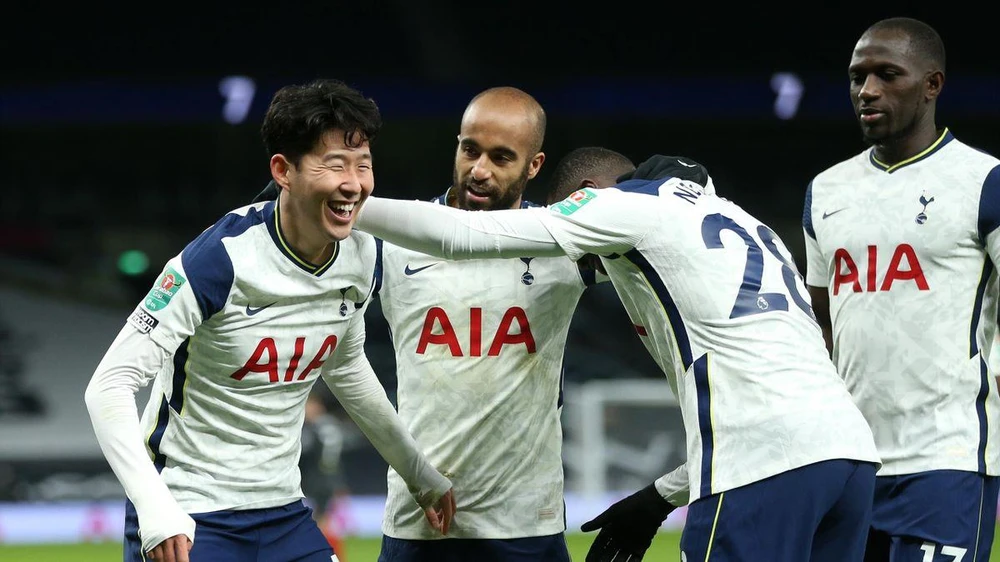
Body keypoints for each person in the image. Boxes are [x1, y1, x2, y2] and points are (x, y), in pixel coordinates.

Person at [351, 146, 883, 562]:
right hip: (851, 458)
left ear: (585, 195)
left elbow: (465, 234)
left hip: (763, 468)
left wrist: (339, 198)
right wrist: (660, 497)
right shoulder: (746, 221)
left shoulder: (618, 207)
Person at [84, 78, 455, 562]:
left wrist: (418, 472)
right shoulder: (217, 260)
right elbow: (109, 385)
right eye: (334, 164)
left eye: (363, 165)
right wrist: (154, 506)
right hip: (189, 514)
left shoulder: (362, 254)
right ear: (283, 170)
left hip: (283, 512)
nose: (354, 183)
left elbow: (345, 368)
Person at [255, 86, 609, 562]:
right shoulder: (395, 240)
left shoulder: (564, 243)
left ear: (535, 166)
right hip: (418, 523)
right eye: (470, 150)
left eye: (502, 157)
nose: (479, 170)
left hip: (527, 523)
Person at [802, 17, 1000, 562]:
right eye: (857, 77)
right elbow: (821, 322)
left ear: (931, 84)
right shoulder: (825, 190)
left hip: (947, 458)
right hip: (849, 461)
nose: (867, 91)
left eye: (887, 75)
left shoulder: (984, 181)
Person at [299, 389, 349, 560]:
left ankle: (330, 556)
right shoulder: (318, 426)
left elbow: (328, 459)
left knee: (320, 524)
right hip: (312, 482)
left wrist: (335, 483)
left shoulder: (322, 427)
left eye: (309, 405)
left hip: (320, 482)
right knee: (319, 524)